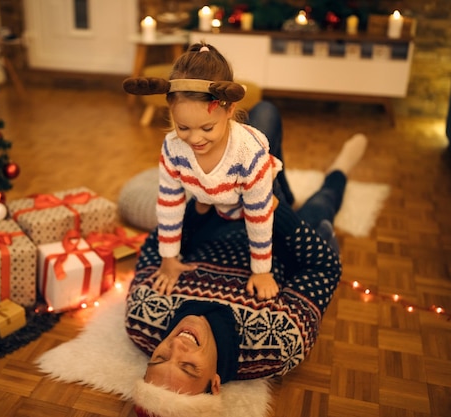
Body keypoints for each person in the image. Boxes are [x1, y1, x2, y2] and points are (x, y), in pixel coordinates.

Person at [124, 100, 368, 416]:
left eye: (158, 358)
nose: (176, 346)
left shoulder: (142, 318)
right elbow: (324, 268)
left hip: (214, 225)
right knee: (322, 210)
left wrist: (198, 210)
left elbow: (156, 244)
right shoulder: (276, 344)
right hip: (284, 245)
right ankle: (337, 170)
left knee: (264, 113)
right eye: (188, 366)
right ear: (214, 384)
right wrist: (266, 204)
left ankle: (275, 179)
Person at [123, 42, 281, 301]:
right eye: (183, 127)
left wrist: (262, 270)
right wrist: (168, 258)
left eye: (207, 128)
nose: (194, 139)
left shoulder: (249, 155)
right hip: (217, 202)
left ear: (229, 109)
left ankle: (285, 184)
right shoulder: (173, 147)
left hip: (260, 193)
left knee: (267, 116)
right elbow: (169, 202)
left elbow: (259, 216)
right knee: (198, 213)